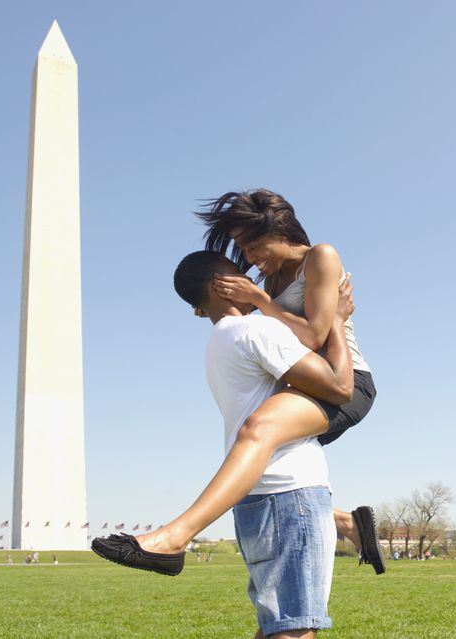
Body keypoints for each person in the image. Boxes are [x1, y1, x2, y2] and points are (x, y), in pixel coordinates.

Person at [95, 251, 353, 637]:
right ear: (222, 285)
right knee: (295, 628)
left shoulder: (218, 341)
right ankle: (172, 538)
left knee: (277, 625)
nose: (253, 282)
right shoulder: (256, 330)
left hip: (252, 499)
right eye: (240, 275)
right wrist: (336, 319)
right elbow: (339, 386)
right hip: (291, 491)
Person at [128, 190, 383, 574]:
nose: (248, 259)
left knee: (257, 432)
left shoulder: (320, 257)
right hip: (301, 384)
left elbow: (315, 336)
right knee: (253, 461)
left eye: (252, 246)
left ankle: (175, 538)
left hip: (345, 381)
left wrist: (260, 300)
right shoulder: (268, 277)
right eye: (242, 251)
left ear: (278, 228)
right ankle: (346, 522)